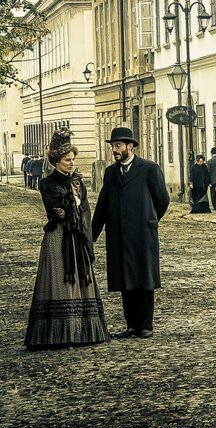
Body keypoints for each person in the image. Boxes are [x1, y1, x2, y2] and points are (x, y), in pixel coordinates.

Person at [25, 129, 111, 349]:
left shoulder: (78, 182)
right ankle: (59, 333)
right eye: (67, 160)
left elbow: (83, 208)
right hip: (58, 237)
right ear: (56, 161)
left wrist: (81, 220)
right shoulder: (47, 183)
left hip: (78, 236)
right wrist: (70, 201)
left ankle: (83, 331)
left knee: (83, 279)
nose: (72, 164)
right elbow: (58, 209)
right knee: (60, 279)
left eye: (73, 159)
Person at [92, 127, 170, 339]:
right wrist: (90, 237)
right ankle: (131, 325)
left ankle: (145, 325)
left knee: (144, 279)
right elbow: (102, 206)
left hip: (143, 234)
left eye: (118, 146)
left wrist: (149, 220)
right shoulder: (110, 173)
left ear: (130, 146)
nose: (114, 150)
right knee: (125, 279)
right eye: (112, 146)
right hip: (118, 234)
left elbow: (162, 200)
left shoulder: (149, 169)